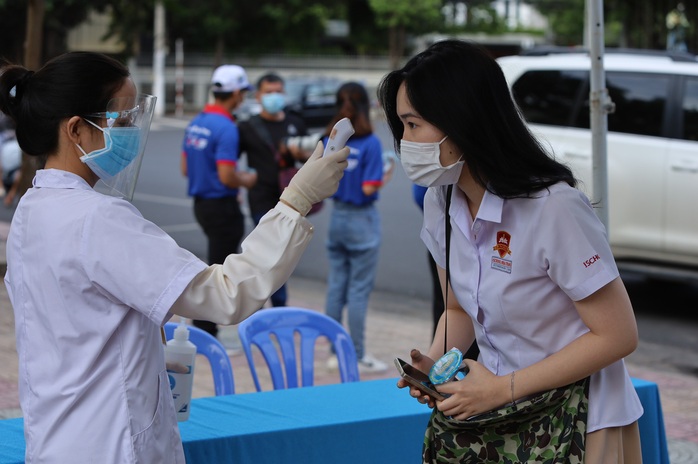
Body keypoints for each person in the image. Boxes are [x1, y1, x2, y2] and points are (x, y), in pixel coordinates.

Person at [0, 51, 348, 463]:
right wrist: (296, 201)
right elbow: (225, 295)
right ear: (76, 129)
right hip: (110, 445)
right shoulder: (97, 218)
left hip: (58, 438)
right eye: (123, 119)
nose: (133, 132)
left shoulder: (33, 208)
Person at [378, 40, 643, 462]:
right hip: (504, 418)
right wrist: (434, 363)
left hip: (581, 419)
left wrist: (504, 387)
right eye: (403, 126)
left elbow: (617, 335)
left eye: (413, 125)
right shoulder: (440, 200)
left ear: (461, 121)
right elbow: (458, 310)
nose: (405, 141)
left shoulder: (553, 207)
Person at [181, 64, 258, 338]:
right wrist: (247, 180)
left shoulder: (198, 120)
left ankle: (204, 327)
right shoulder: (226, 127)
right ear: (236, 93)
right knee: (220, 272)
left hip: (201, 204)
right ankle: (205, 330)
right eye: (243, 92)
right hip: (222, 206)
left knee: (213, 264)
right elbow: (227, 176)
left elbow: (185, 168)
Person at [323, 82, 392, 374]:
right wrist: (386, 175)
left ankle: (332, 350)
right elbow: (367, 189)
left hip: (337, 217)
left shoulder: (335, 138)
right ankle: (358, 353)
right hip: (361, 220)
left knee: (336, 286)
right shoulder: (371, 143)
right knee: (359, 290)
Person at [238, 72, 312, 307]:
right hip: (261, 198)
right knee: (269, 254)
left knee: (284, 255)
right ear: (258, 95)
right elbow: (230, 161)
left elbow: (311, 157)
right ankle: (269, 304)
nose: (274, 96)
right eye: (269, 92)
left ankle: (276, 306)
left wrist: (301, 154)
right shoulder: (248, 127)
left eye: (278, 91)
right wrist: (242, 181)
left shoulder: (295, 122)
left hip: (292, 199)